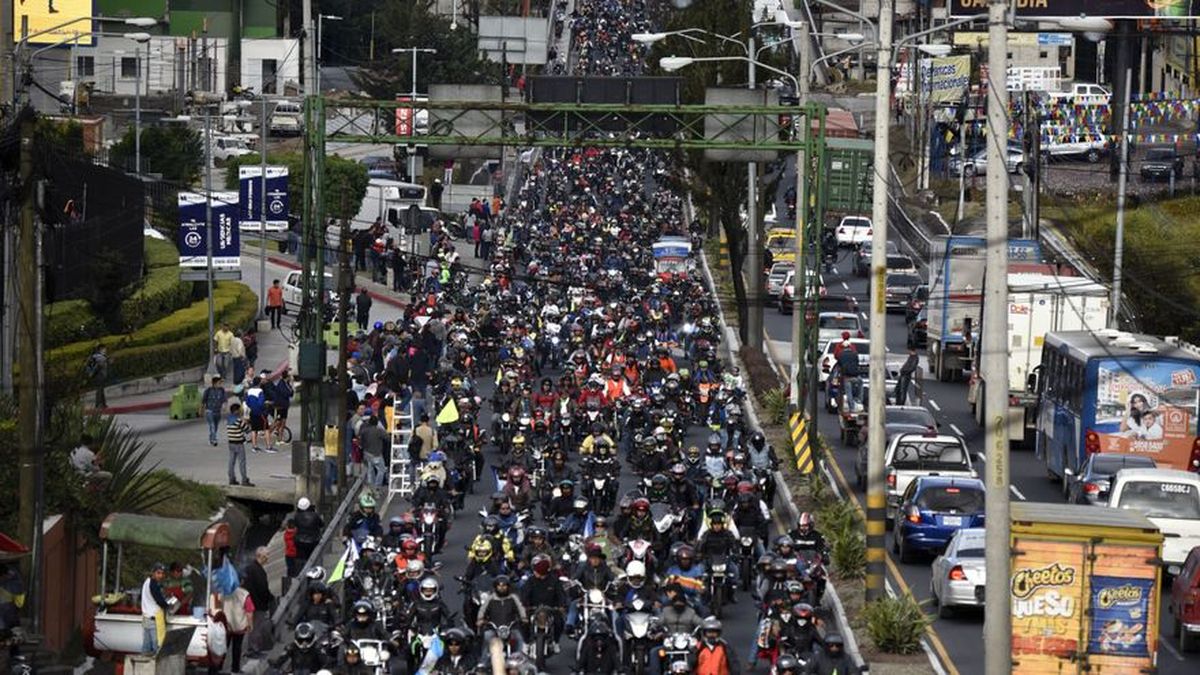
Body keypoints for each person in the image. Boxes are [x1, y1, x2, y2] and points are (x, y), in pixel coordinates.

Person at [217, 580, 255, 672]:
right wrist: (250, 624)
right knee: (237, 648)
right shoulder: (244, 594)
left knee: (223, 648)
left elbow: (218, 605)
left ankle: (218, 668)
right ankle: (235, 669)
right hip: (239, 626)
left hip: (226, 625)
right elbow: (249, 611)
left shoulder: (223, 591)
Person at [243, 547, 274, 657]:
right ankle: (253, 649)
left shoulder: (250, 568)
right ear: (260, 556)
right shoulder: (257, 570)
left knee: (254, 627)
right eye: (266, 555)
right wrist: (269, 598)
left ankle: (253, 649)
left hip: (251, 603)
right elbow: (262, 588)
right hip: (258, 604)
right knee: (256, 628)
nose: (267, 557)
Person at [140, 563, 171, 654]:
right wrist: (168, 606)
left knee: (146, 646)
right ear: (153, 573)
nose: (160, 576)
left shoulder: (147, 581)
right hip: (154, 619)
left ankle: (143, 666)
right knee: (157, 645)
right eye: (158, 573)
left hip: (146, 617)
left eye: (162, 573)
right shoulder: (153, 584)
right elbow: (159, 600)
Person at [226, 402, 254, 486]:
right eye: (239, 410)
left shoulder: (229, 420)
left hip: (231, 443)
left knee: (231, 461)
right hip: (239, 443)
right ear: (236, 411)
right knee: (242, 462)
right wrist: (247, 422)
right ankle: (244, 480)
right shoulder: (238, 420)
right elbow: (247, 430)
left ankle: (232, 478)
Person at [357, 415, 389, 487]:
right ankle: (377, 486)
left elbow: (360, 441)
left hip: (367, 453)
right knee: (381, 470)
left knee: (370, 470)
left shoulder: (364, 431)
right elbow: (387, 438)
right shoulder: (379, 431)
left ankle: (371, 486)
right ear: (377, 423)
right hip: (377, 453)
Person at [201, 376, 228, 446]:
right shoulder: (208, 390)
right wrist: (201, 410)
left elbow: (225, 399)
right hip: (209, 411)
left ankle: (211, 438)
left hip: (218, 411)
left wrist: (225, 406)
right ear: (214, 383)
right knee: (212, 425)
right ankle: (214, 440)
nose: (220, 384)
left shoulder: (222, 390)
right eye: (219, 383)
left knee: (215, 426)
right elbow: (203, 401)